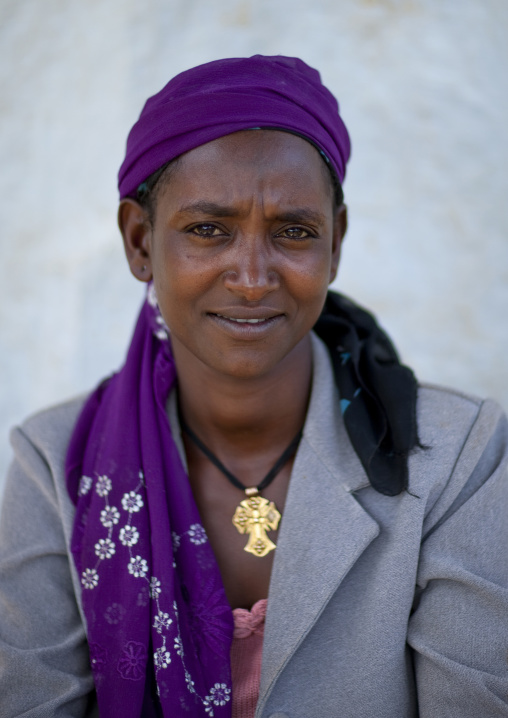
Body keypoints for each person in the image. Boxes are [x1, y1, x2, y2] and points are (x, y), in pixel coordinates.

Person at [0, 55, 507, 718]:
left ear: (336, 244)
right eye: (208, 230)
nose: (251, 276)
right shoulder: (54, 465)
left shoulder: (454, 460)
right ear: (139, 242)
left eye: (293, 231)